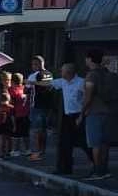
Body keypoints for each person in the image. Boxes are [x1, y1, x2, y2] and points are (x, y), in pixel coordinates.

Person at [35, 63, 92, 175]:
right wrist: (31, 82)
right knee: (64, 143)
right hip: (67, 117)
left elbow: (87, 98)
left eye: (62, 71)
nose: (61, 73)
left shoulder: (81, 82)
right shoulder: (63, 82)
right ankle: (65, 168)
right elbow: (48, 83)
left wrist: (82, 115)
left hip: (79, 115)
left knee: (83, 142)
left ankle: (96, 163)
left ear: (69, 73)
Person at [81, 48, 112, 180]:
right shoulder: (106, 72)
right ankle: (104, 170)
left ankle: (97, 171)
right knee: (104, 143)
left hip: (94, 112)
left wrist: (81, 114)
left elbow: (88, 96)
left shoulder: (92, 75)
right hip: (107, 111)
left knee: (95, 144)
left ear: (90, 59)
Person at [25, 56, 53, 162]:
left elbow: (47, 85)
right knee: (39, 130)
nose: (34, 66)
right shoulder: (39, 75)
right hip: (40, 105)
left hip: (40, 105)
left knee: (37, 130)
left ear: (41, 63)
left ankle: (38, 152)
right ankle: (39, 151)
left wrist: (31, 84)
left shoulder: (41, 75)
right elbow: (26, 90)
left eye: (35, 64)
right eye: (33, 64)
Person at [9, 73, 29, 157]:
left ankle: (15, 150)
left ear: (13, 81)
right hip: (26, 113)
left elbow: (11, 103)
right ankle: (27, 150)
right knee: (24, 133)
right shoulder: (25, 88)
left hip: (16, 114)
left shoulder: (12, 90)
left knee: (15, 133)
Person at [0, 92, 15, 159]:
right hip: (8, 124)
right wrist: (14, 126)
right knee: (9, 138)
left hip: (0, 124)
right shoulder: (11, 107)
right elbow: (12, 117)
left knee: (2, 139)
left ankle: (2, 152)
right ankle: (8, 151)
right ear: (9, 99)